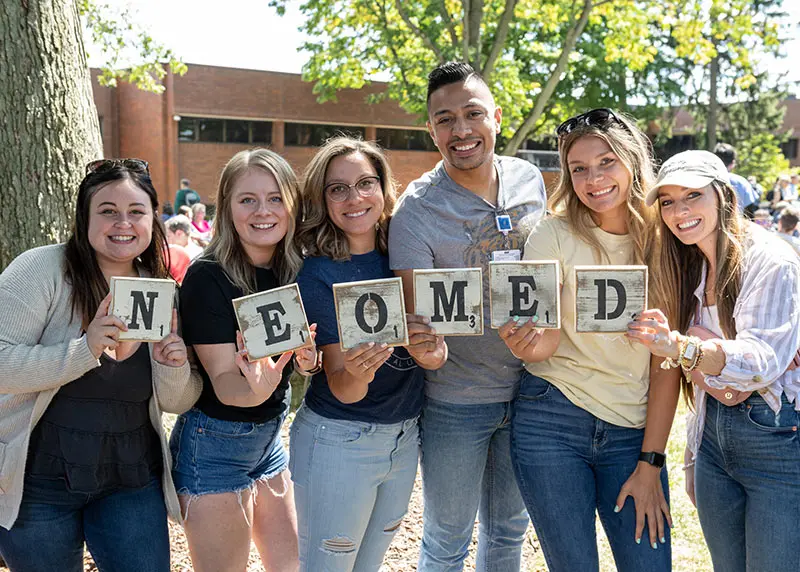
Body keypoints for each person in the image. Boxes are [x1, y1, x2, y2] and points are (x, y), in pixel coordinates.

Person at [0, 158, 201, 571]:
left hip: (130, 480)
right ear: (84, 218)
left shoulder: (161, 288)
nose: (122, 223)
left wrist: (172, 365)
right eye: (107, 211)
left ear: (152, 219)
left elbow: (178, 402)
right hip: (37, 481)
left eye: (136, 212)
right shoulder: (42, 270)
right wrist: (84, 349)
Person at [389, 61, 547, 571]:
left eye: (472, 113)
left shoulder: (528, 179)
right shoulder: (416, 208)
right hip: (456, 402)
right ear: (430, 129)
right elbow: (421, 316)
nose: (461, 130)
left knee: (508, 533)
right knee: (447, 537)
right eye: (445, 119)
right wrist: (424, 345)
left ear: (496, 117)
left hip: (532, 391)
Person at [508, 109, 678, 571]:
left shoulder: (665, 238)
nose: (593, 179)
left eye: (606, 162)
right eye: (578, 168)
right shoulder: (553, 232)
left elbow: (667, 365)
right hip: (552, 418)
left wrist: (651, 463)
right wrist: (523, 343)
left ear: (631, 160)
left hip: (631, 430)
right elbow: (543, 344)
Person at [630, 149, 800, 572]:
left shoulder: (771, 260)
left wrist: (684, 347)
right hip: (713, 444)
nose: (678, 211)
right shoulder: (690, 263)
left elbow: (763, 359)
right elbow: (711, 382)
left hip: (776, 439)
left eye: (692, 195)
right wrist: (695, 455)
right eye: (667, 201)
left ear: (722, 195)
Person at [291, 137, 446, 571]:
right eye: (337, 188)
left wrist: (432, 352)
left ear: (383, 187)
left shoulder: (407, 253)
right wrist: (359, 371)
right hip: (340, 439)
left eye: (365, 183)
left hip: (405, 435)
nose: (354, 197)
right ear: (323, 200)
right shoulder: (317, 272)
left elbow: (432, 354)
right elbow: (342, 386)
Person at [169, 149, 308, 572]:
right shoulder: (207, 276)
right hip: (214, 444)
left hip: (268, 441)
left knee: (292, 566)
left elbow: (297, 358)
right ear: (226, 207)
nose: (263, 211)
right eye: (247, 199)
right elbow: (227, 382)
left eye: (275, 198)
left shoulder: (295, 267)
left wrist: (309, 361)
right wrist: (259, 389)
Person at [713, 143, 758, 217]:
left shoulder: (706, 181)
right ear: (733, 163)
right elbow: (750, 212)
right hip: (736, 225)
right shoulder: (741, 182)